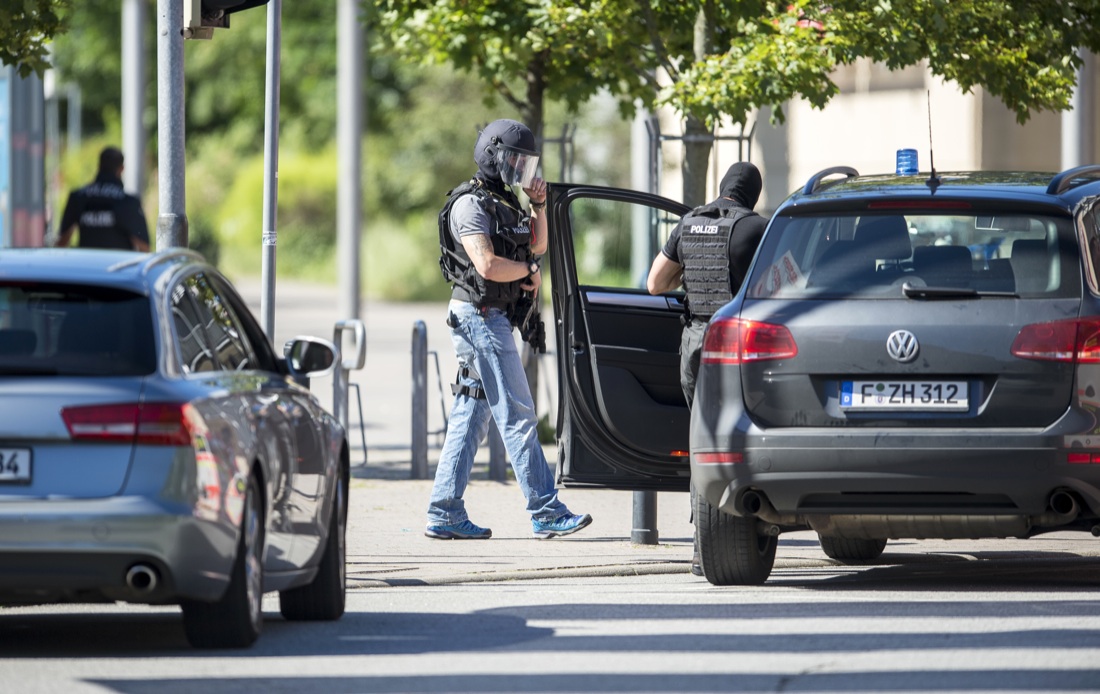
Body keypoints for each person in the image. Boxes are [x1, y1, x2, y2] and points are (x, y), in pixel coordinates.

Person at [426, 118, 592, 541]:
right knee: (518, 413)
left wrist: (538, 206)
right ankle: (546, 510)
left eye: (525, 161)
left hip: (492, 317)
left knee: (471, 413)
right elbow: (487, 265)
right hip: (479, 316)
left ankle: (444, 512)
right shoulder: (470, 204)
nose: (520, 168)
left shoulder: (504, 200)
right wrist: (529, 271)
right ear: (492, 154)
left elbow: (536, 245)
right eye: (514, 159)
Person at [646, 161, 767, 574]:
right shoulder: (756, 228)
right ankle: (731, 532)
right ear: (753, 194)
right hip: (734, 342)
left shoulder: (689, 223)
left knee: (703, 441)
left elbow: (655, 283)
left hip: (695, 343)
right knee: (736, 439)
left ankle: (703, 545)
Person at [55, 146, 150, 251]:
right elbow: (144, 246)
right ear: (121, 169)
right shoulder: (128, 201)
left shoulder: (78, 197)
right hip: (120, 260)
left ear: (99, 166)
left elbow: (62, 242)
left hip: (87, 260)